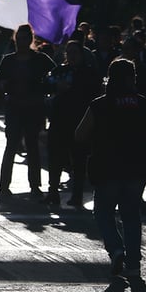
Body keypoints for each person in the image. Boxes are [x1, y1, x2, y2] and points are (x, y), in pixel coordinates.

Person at [76, 58, 146, 279]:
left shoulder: (99, 104)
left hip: (107, 166)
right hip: (136, 166)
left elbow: (80, 134)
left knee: (103, 211)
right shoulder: (141, 103)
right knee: (131, 214)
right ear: (132, 78)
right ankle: (133, 264)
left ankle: (115, 249)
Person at [0, 24, 56, 200]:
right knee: (11, 146)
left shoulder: (40, 59)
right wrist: (1, 93)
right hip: (14, 107)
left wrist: (46, 90)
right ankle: (4, 186)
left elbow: (55, 74)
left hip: (33, 108)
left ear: (30, 40)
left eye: (25, 38)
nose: (21, 42)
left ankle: (35, 186)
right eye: (19, 38)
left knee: (32, 147)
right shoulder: (8, 60)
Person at [45, 39, 101, 207]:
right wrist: (56, 88)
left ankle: (77, 195)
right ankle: (52, 192)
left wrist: (72, 87)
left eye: (75, 52)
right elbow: (45, 86)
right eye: (68, 53)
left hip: (79, 120)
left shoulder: (89, 73)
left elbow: (93, 92)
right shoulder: (59, 70)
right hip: (59, 119)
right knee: (55, 158)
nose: (72, 56)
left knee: (79, 160)